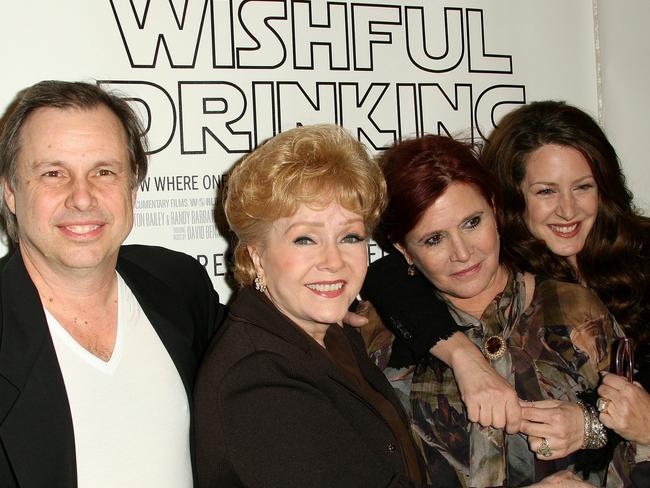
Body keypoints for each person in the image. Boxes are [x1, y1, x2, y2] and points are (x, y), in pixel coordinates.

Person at [0, 80, 224, 487]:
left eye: (104, 172)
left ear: (133, 186)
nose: (82, 198)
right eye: (53, 173)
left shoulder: (179, 283)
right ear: (11, 192)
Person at [365, 133, 618, 487]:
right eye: (433, 239)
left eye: (472, 223)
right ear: (403, 250)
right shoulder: (377, 334)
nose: (463, 253)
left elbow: (638, 434)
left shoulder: (575, 308)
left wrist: (592, 428)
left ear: (495, 210)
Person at [194, 124, 432, 487]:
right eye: (305, 239)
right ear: (256, 256)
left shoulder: (330, 333)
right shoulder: (258, 378)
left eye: (349, 237)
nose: (334, 261)